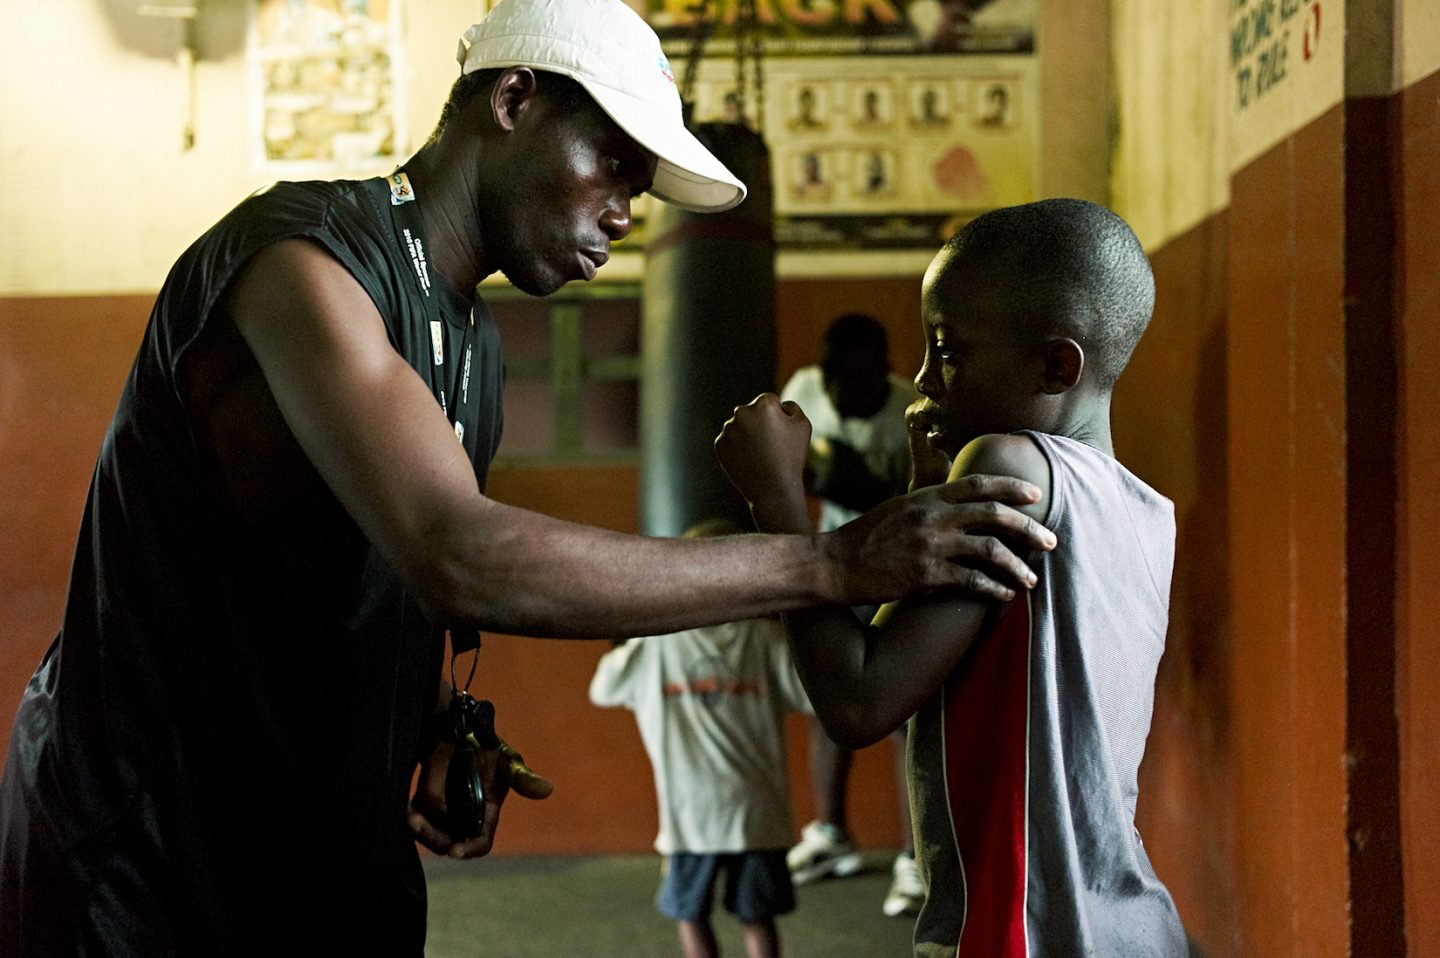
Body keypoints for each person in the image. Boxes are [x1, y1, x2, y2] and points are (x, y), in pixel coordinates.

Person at [0, 0, 1055, 954]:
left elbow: (373, 581)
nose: (626, 212)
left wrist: (436, 725)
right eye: (613, 166)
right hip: (139, 856)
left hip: (317, 850)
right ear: (514, 99)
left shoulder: (475, 344)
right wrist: (830, 561)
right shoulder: (302, 264)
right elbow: (457, 552)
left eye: (641, 192)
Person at [716, 199, 1189, 956]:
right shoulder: (1142, 512)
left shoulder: (1006, 466)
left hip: (1023, 930)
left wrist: (775, 497)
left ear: (1054, 365)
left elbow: (860, 698)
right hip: (1125, 925)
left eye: (949, 350)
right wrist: (922, 491)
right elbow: (947, 654)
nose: (926, 377)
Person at [589, 518, 810, 958]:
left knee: (691, 914)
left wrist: (630, 624)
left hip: (690, 819)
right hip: (755, 814)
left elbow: (602, 688)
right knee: (757, 917)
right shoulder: (764, 638)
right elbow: (809, 698)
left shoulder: (654, 645)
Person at [778, 313, 923, 917]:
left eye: (856, 386)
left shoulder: (912, 413)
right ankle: (831, 833)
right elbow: (786, 466)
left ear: (882, 376)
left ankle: (917, 859)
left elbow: (920, 502)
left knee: (906, 713)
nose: (841, 397)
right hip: (835, 566)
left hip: (901, 572)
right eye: (836, 385)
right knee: (826, 696)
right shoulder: (804, 391)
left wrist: (865, 488)